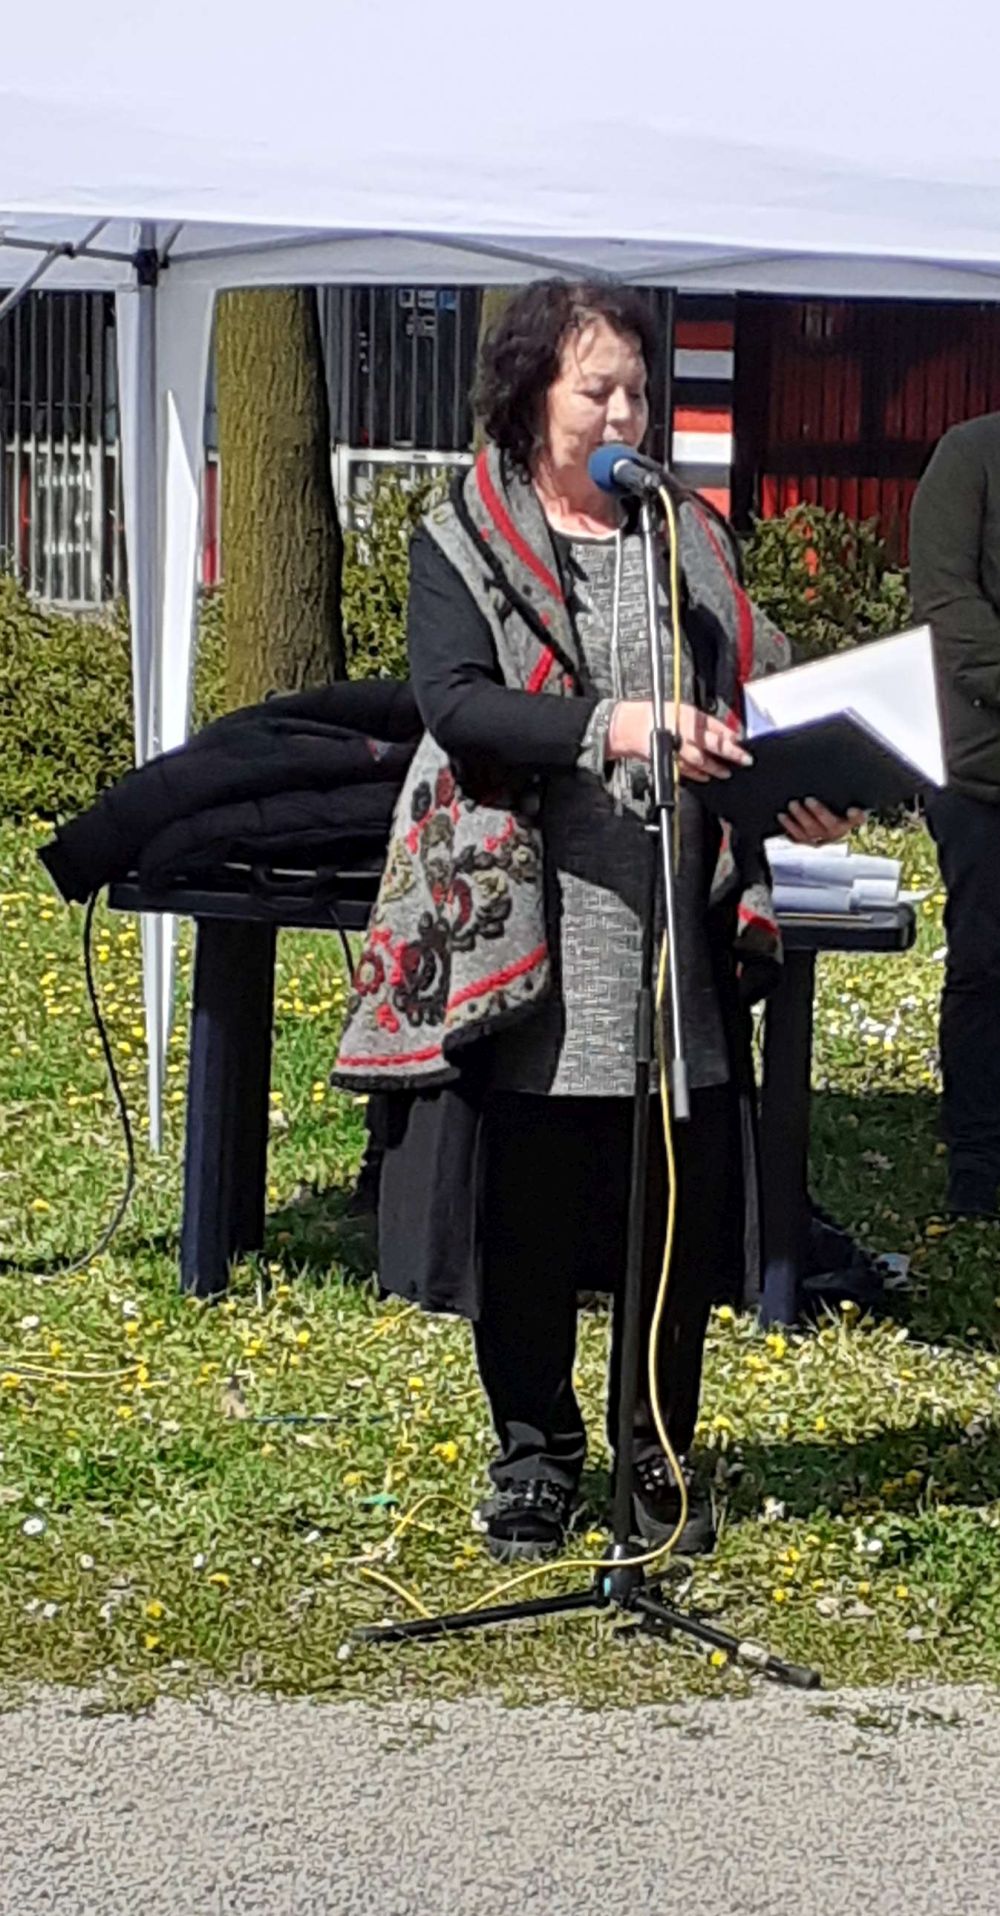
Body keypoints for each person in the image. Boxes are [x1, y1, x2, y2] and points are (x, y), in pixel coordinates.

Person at [335, 278, 854, 1563]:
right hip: (530, 925)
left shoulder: (686, 536)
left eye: (637, 389)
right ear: (529, 398)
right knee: (525, 1213)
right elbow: (457, 702)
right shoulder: (461, 535)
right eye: (596, 390)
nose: (625, 413)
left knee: (666, 1209)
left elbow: (751, 690)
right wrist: (616, 724)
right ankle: (534, 1457)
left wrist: (794, 782)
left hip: (673, 933)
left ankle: (654, 1451)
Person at [911, 415, 1000, 1218]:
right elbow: (947, 608)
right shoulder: (970, 456)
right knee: (986, 963)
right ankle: (979, 1157)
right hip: (983, 773)